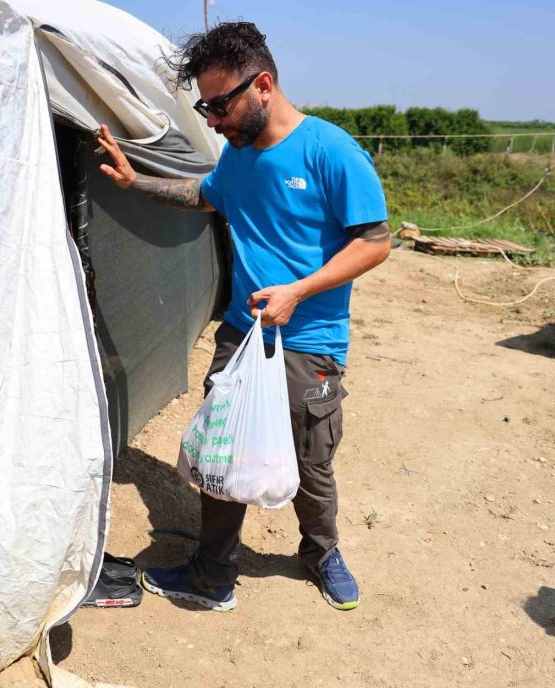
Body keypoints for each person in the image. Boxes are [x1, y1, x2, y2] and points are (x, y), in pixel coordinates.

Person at [95, 22, 390, 612]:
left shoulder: (331, 152)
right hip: (242, 334)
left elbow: (375, 242)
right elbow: (202, 196)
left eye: (219, 104)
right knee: (222, 453)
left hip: (308, 340)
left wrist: (298, 292)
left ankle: (321, 552)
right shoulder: (237, 156)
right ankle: (213, 573)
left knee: (310, 459)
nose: (211, 120)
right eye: (204, 106)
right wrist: (135, 181)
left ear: (263, 85)